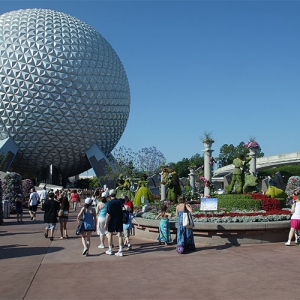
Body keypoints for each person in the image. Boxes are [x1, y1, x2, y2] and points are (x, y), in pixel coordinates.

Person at [104, 189, 124, 257]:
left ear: (110, 195)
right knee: (120, 235)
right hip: (119, 219)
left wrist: (105, 223)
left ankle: (110, 250)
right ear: (115, 194)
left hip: (112, 219)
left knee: (110, 234)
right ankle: (120, 250)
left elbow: (108, 214)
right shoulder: (119, 202)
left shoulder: (109, 203)